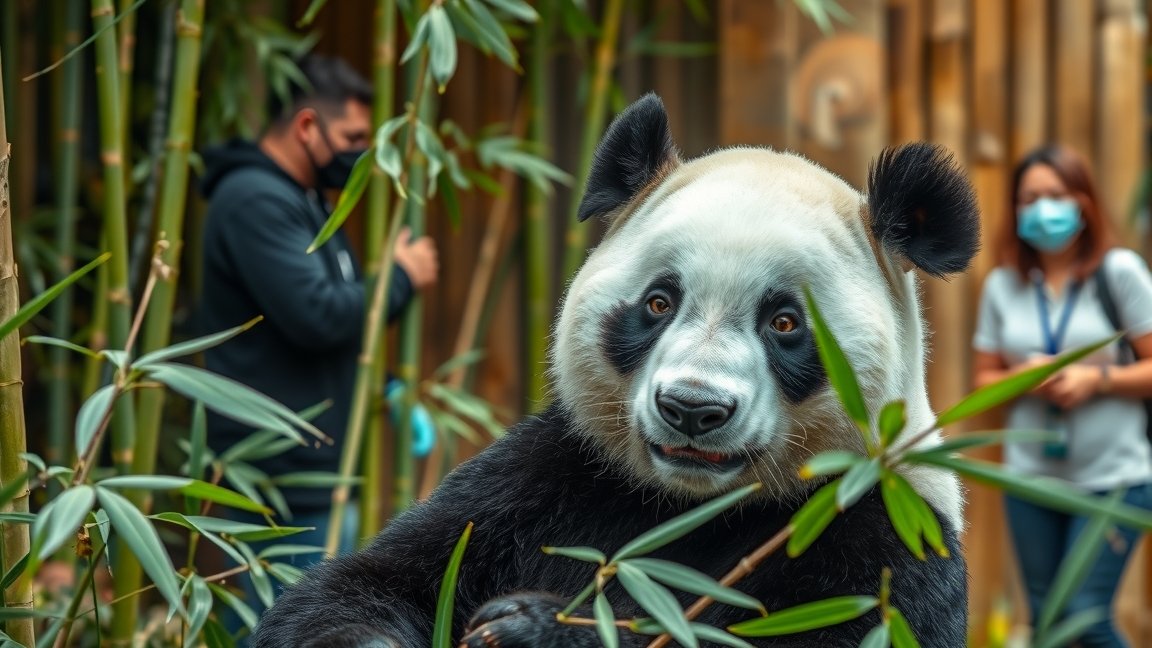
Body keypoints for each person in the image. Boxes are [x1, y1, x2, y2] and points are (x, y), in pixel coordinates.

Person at [197, 52, 438, 611]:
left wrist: (384, 386)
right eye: (353, 138)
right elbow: (317, 314)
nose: (363, 154)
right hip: (280, 477)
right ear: (307, 126)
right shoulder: (254, 200)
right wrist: (401, 278)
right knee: (288, 626)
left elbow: (313, 319)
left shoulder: (304, 201)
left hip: (314, 470)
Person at [972, 144, 1152, 647]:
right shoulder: (1002, 285)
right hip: (1030, 479)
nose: (1043, 209)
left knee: (1085, 618)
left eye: (1056, 195)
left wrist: (1098, 381)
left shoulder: (1119, 272)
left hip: (1114, 477)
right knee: (1048, 624)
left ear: (1083, 202)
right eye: (1030, 199)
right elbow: (983, 385)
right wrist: (1025, 376)